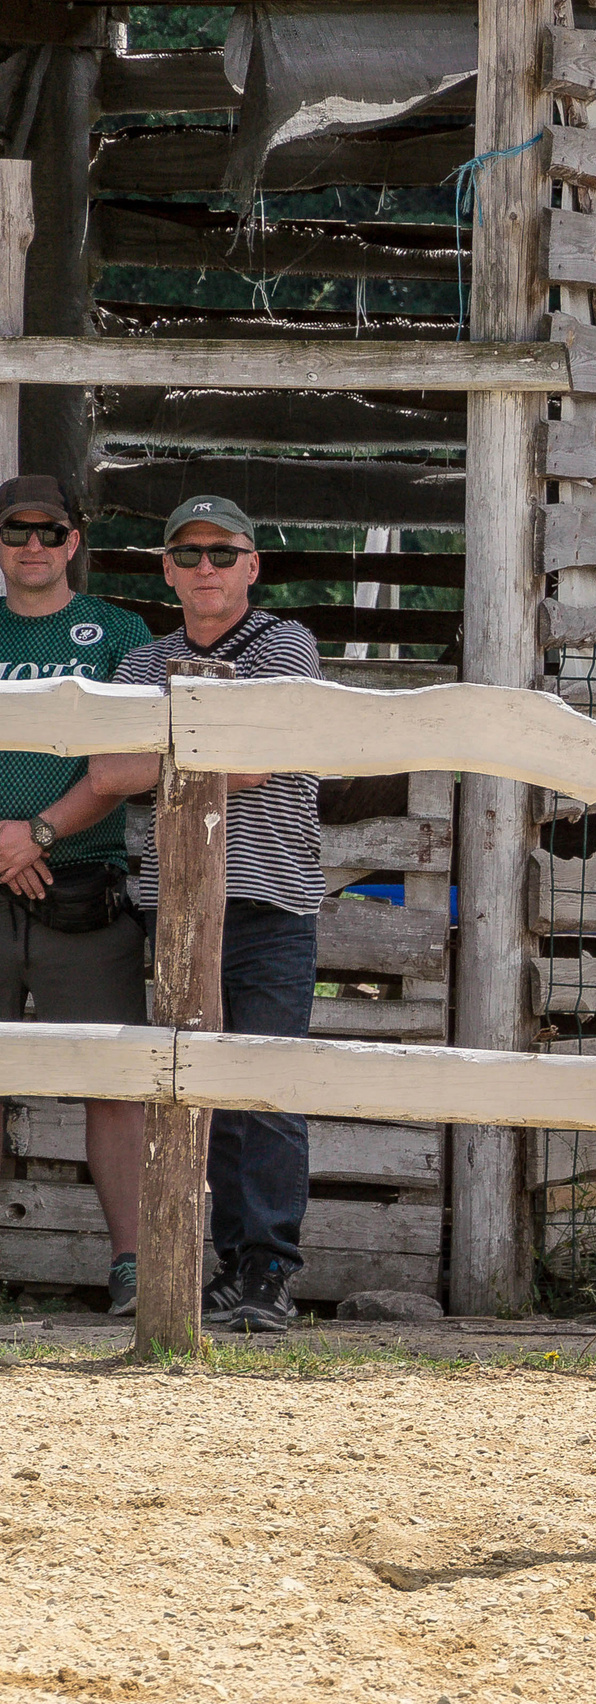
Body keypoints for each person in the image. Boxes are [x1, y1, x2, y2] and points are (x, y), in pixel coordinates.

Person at [85, 496, 323, 1334]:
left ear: (252, 567)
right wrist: (201, 751)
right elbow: (107, 766)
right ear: (167, 571)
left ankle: (267, 1274)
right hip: (174, 908)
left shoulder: (288, 644)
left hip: (268, 899)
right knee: (194, 1091)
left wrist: (166, 757)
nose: (205, 569)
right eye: (187, 555)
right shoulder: (144, 660)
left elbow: (260, 759)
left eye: (223, 553)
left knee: (264, 1090)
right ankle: (224, 1271)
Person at [0, 475, 156, 1314]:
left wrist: (40, 832)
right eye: (15, 531)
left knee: (114, 1078)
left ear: (74, 540)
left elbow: (129, 760)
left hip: (82, 883)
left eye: (47, 531)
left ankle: (133, 1262)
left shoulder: (120, 633)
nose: (32, 546)